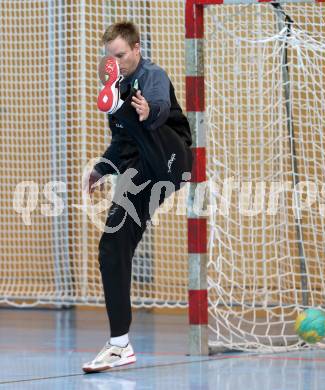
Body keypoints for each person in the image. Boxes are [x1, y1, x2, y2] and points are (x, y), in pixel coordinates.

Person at [82, 21, 193, 373]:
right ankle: (119, 346)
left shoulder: (152, 75)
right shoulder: (116, 90)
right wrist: (101, 168)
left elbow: (159, 106)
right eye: (110, 56)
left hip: (170, 157)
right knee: (111, 244)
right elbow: (120, 145)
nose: (116, 60)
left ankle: (129, 110)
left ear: (136, 49)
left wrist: (147, 112)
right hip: (141, 172)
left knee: (137, 115)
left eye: (121, 55)